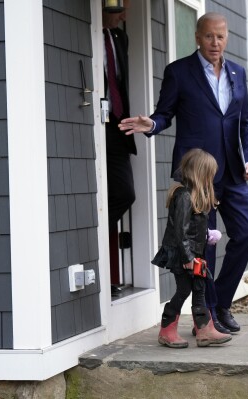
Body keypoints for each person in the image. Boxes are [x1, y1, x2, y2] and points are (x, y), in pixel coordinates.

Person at [119, 12, 248, 334]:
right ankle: (206, 315)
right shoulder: (179, 72)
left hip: (234, 171)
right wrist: (152, 124)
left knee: (247, 233)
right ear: (197, 37)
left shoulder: (238, 72)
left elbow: (245, 124)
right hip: (197, 173)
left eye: (221, 36)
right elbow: (165, 113)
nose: (215, 42)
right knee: (201, 246)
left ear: (227, 38)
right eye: (209, 36)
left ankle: (220, 302)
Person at [152, 149, 232, 348]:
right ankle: (166, 330)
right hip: (182, 254)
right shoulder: (184, 197)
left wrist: (207, 235)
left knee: (200, 288)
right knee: (184, 289)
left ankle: (205, 331)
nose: (211, 179)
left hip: (195, 253)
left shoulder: (195, 196)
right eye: (209, 175)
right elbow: (180, 231)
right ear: (200, 174)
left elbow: (193, 228)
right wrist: (188, 257)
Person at [102, 0, 137, 295]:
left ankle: (98, 236)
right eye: (119, 7)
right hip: (91, 124)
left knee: (125, 193)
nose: (125, 15)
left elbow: (120, 82)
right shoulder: (90, 33)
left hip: (117, 126)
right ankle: (103, 271)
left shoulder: (119, 37)